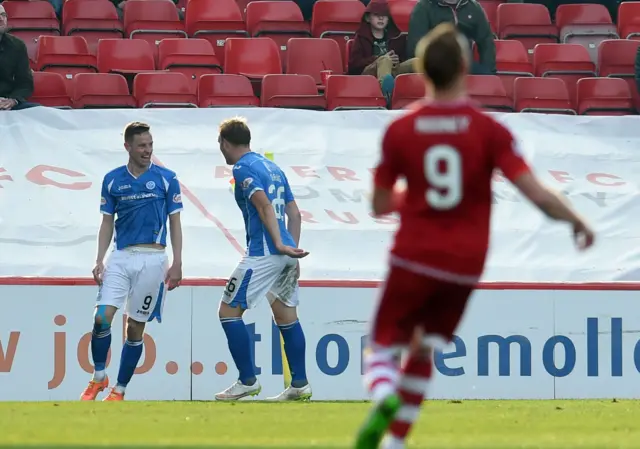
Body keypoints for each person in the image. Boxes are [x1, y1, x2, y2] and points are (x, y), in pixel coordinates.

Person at [355, 23, 595, 449]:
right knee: (424, 349)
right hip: (465, 264)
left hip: (413, 254)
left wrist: (412, 194)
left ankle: (384, 393)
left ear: (422, 71)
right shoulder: (488, 130)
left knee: (382, 347)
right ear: (466, 66)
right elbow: (535, 192)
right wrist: (576, 220)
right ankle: (394, 444)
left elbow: (378, 205)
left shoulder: (400, 131)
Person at [80, 122, 184, 402]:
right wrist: (99, 259)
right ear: (127, 147)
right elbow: (106, 223)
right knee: (101, 318)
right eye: (142, 145)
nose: (147, 150)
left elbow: (175, 222)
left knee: (135, 328)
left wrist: (178, 261)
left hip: (153, 260)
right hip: (121, 257)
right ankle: (99, 377)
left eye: (150, 145)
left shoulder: (167, 178)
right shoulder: (113, 180)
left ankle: (121, 389)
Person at [214, 117, 312, 402]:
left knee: (228, 312)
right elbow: (294, 212)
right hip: (285, 254)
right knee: (286, 317)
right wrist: (291, 248)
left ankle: (247, 381)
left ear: (224, 143)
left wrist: (280, 244)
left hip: (264, 252)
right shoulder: (273, 167)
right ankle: (300, 384)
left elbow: (263, 204)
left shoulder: (242, 167)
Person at [348, 0, 415, 102]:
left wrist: (397, 61)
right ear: (367, 18)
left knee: (416, 61)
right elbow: (354, 65)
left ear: (388, 19)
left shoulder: (397, 38)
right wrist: (377, 59)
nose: (381, 18)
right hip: (368, 74)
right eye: (376, 15)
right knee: (385, 59)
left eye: (384, 15)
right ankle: (385, 96)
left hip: (391, 71)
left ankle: (427, 94)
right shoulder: (361, 37)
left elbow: (403, 59)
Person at [406, 0, 496, 75]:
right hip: (434, 66)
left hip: (464, 66)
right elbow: (416, 45)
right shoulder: (423, 7)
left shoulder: (474, 7)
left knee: (486, 75)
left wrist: (489, 71)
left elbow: (486, 41)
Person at [0, 4, 37, 111]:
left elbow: (25, 84)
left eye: (3, 15)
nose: (1, 19)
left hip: (9, 103)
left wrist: (13, 100)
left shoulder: (17, 45)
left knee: (40, 111)